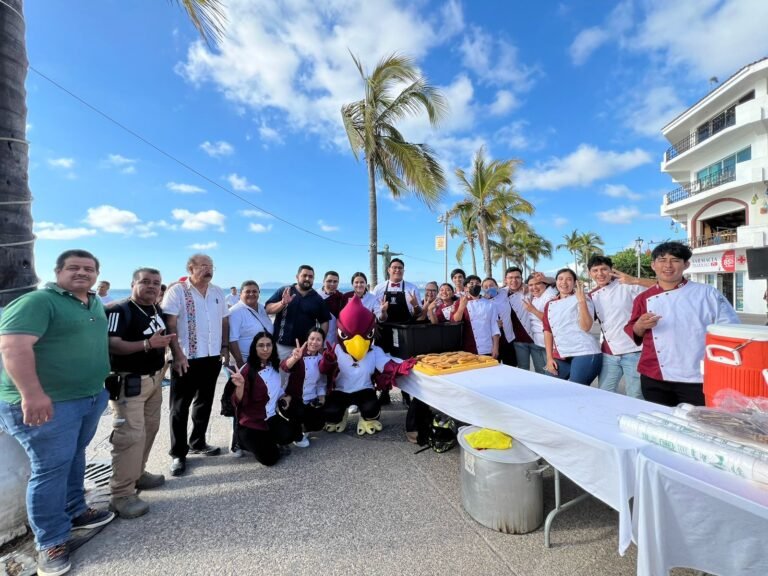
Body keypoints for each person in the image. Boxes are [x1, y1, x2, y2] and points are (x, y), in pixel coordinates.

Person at [0, 249, 114, 576]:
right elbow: (12, 346)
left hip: (88, 397)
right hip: (48, 402)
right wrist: (32, 393)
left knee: (76, 454)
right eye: (74, 268)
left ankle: (76, 510)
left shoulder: (91, 303)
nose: (82, 273)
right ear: (58, 271)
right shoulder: (39, 302)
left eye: (89, 269)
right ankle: (50, 540)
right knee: (49, 468)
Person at [625, 241, 740, 407]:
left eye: (675, 260)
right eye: (662, 260)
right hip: (654, 375)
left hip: (697, 375)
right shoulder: (643, 298)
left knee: (697, 425)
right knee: (661, 422)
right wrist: (640, 326)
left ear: (686, 264)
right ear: (653, 265)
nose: (668, 265)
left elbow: (730, 330)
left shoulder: (707, 293)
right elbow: (634, 329)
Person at [105, 268, 176, 519]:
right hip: (129, 383)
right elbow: (112, 343)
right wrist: (147, 345)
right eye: (145, 282)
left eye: (156, 283)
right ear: (133, 283)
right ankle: (121, 494)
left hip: (154, 380)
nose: (152, 287)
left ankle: (137, 473)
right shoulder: (118, 309)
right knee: (129, 436)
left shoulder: (154, 309)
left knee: (150, 428)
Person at [162, 253, 229, 476]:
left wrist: (224, 347)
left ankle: (198, 442)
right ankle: (178, 453)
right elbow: (169, 324)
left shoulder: (218, 292)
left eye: (211, 266)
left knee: (204, 403)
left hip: (211, 357)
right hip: (186, 358)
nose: (208, 270)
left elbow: (224, 321)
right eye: (202, 266)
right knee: (179, 408)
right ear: (190, 268)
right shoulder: (177, 291)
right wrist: (177, 354)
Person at [228, 332, 303, 465]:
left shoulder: (273, 364)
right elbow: (236, 402)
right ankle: (241, 442)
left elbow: (285, 366)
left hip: (270, 417)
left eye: (269, 345)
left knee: (290, 434)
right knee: (270, 459)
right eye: (261, 345)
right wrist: (240, 386)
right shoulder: (246, 370)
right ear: (254, 348)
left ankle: (268, 441)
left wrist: (284, 396)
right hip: (251, 423)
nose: (265, 349)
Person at [587, 255, 655, 400]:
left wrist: (635, 280)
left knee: (636, 395)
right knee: (605, 392)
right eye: (595, 270)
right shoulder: (591, 296)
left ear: (611, 270)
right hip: (609, 353)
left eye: (604, 269)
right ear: (589, 273)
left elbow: (661, 286)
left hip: (635, 351)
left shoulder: (627, 285)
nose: (600, 274)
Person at [264, 265, 330, 373]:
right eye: (304, 275)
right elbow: (268, 309)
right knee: (278, 377)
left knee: (300, 380)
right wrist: (282, 303)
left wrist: (319, 342)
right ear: (297, 277)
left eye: (311, 276)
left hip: (305, 348)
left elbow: (324, 321)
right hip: (281, 346)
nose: (307, 279)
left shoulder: (317, 299)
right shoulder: (284, 291)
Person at [543, 268, 602, 384]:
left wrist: (581, 301)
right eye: (560, 279)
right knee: (549, 383)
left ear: (575, 283)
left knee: (576, 389)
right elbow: (547, 331)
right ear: (556, 282)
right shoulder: (550, 304)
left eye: (569, 279)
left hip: (585, 352)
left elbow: (586, 327)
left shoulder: (584, 299)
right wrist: (549, 358)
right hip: (563, 354)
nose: (564, 283)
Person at [280, 327, 328, 447]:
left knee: (319, 423)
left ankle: (304, 428)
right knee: (298, 413)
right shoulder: (297, 354)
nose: (314, 342)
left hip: (311, 399)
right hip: (293, 398)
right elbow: (285, 366)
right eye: (312, 338)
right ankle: (296, 432)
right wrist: (294, 358)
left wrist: (321, 397)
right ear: (307, 339)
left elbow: (321, 382)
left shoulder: (321, 359)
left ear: (322, 342)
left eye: (318, 340)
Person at [452, 275, 500, 357]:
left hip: (487, 347)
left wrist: (496, 347)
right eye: (471, 283)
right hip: (468, 347)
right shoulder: (460, 302)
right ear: (466, 288)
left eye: (477, 283)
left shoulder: (490, 304)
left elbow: (494, 327)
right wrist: (461, 307)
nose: (475, 285)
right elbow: (455, 320)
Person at [228, 281, 273, 368]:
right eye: (247, 291)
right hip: (246, 362)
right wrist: (240, 363)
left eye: (254, 291)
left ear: (259, 293)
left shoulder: (263, 308)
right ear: (240, 294)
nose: (251, 294)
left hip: (265, 360)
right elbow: (232, 339)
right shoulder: (235, 312)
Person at [522, 273, 558, 374]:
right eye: (530, 285)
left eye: (537, 283)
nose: (534, 287)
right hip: (537, 343)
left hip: (549, 345)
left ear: (545, 284)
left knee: (551, 375)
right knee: (540, 373)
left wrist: (533, 310)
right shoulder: (534, 297)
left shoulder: (550, 295)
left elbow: (551, 321)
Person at [502, 267, 535, 369]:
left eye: (517, 277)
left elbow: (552, 285)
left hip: (535, 338)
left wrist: (527, 286)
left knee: (542, 371)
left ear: (522, 279)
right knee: (523, 369)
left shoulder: (530, 290)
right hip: (518, 340)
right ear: (505, 280)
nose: (514, 280)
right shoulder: (501, 293)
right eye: (510, 278)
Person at [372, 258, 422, 323]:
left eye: (400, 268)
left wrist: (416, 306)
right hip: (384, 328)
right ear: (389, 270)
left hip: (406, 328)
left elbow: (418, 314)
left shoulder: (412, 288)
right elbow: (376, 314)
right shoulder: (378, 288)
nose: (397, 270)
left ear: (403, 271)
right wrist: (383, 311)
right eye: (394, 267)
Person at [484, 277, 515, 366]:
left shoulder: (503, 292)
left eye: (491, 285)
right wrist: (492, 323)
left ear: (497, 286)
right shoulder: (482, 301)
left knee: (511, 366)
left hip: (508, 338)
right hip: (492, 341)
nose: (489, 288)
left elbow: (515, 286)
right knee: (494, 367)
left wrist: (524, 286)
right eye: (486, 287)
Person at [320, 271, 345, 346]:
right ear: (323, 282)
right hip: (317, 341)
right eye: (329, 281)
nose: (332, 284)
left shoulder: (341, 298)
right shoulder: (316, 296)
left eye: (335, 282)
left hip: (335, 341)